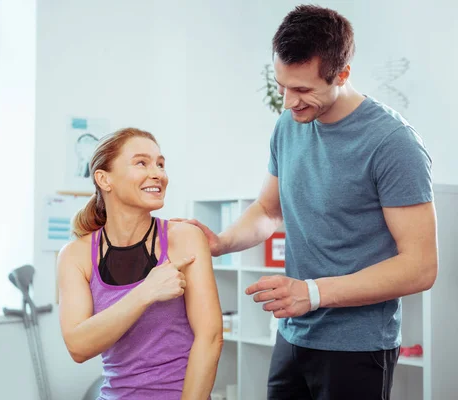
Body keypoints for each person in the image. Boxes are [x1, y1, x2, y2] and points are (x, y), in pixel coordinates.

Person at [175, 5, 437, 400]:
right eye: (282, 86)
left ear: (343, 73)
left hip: (358, 346)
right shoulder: (288, 126)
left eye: (302, 90)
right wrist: (222, 243)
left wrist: (312, 293)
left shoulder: (392, 143)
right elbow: (268, 209)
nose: (287, 102)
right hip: (293, 334)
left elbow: (420, 267)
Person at [57, 127, 223, 400]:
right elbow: (78, 347)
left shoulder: (184, 238)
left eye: (160, 164)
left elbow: (211, 337)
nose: (158, 173)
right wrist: (146, 292)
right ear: (104, 179)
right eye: (141, 163)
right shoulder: (75, 255)